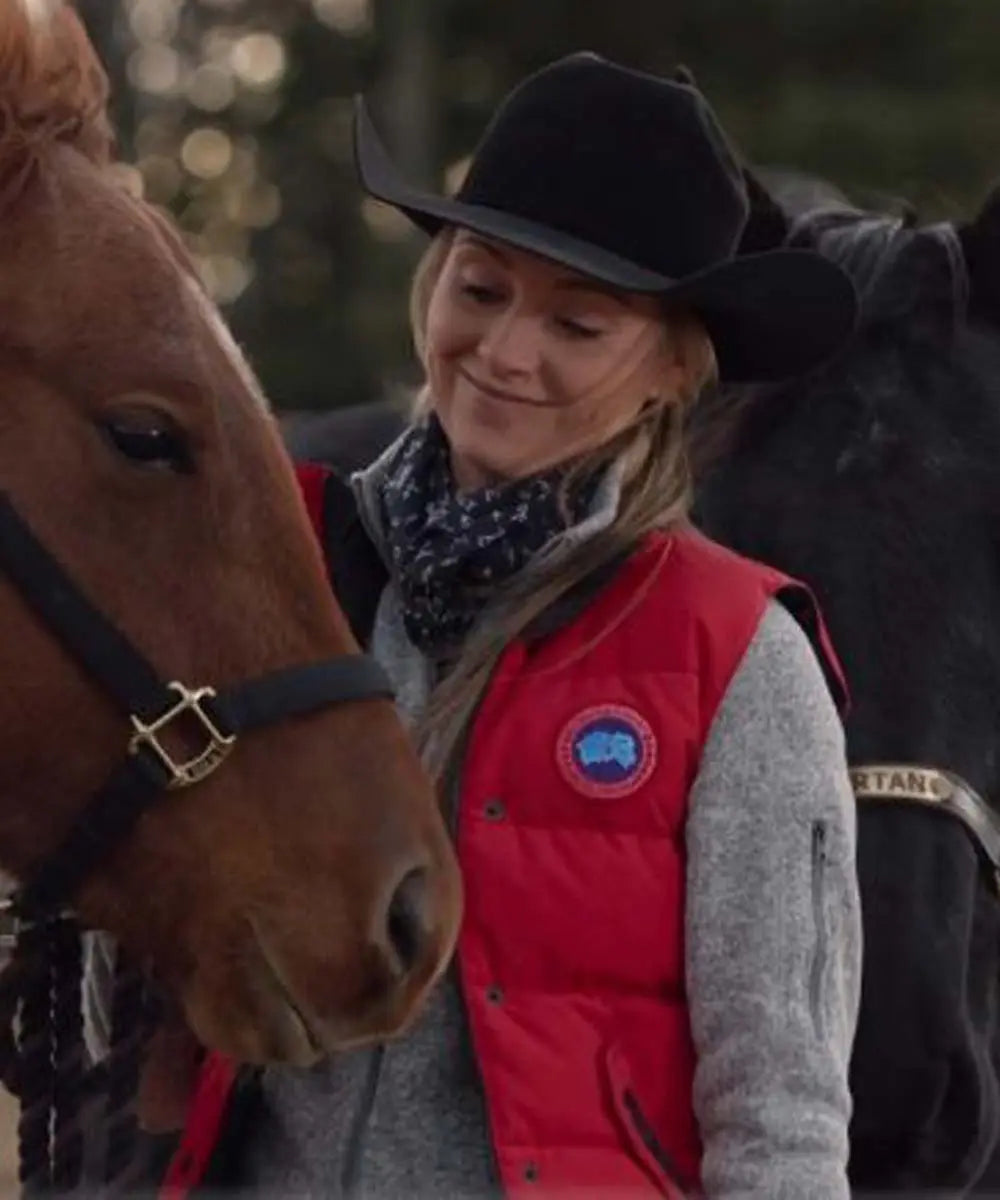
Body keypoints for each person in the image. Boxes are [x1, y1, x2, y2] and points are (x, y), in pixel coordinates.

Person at [139, 52, 863, 1199]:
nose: (507, 353)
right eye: (480, 290)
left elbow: (779, 1115)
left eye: (578, 325)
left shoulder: (738, 658)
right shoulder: (285, 558)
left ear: (674, 371)